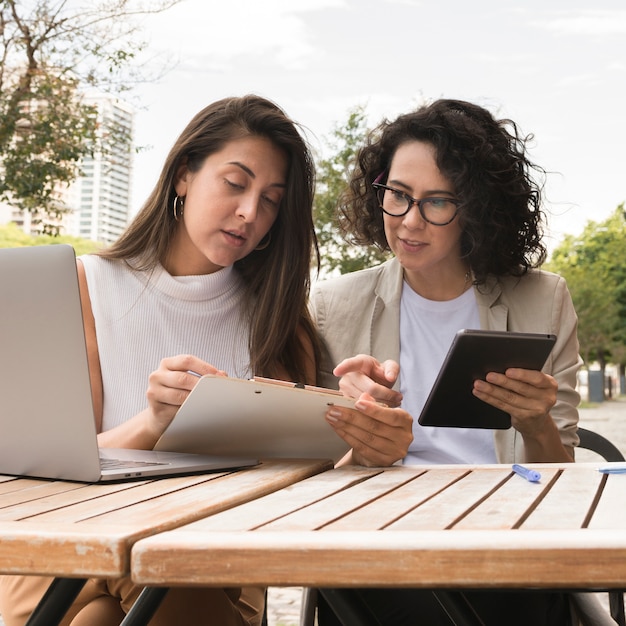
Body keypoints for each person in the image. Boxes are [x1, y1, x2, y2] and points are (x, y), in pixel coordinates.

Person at [0, 94, 319, 626]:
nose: (249, 212)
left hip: (212, 565)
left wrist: (354, 426)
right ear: (183, 177)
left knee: (109, 613)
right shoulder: (81, 287)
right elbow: (40, 469)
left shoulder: (280, 325)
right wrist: (152, 425)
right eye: (235, 183)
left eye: (270, 200)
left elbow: (298, 484)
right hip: (68, 548)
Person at [310, 99, 583, 625]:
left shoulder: (541, 300)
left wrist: (535, 421)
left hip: (505, 536)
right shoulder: (333, 306)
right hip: (379, 535)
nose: (410, 221)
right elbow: (310, 481)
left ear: (477, 208)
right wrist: (361, 448)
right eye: (398, 196)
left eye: (438, 202)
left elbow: (558, 475)